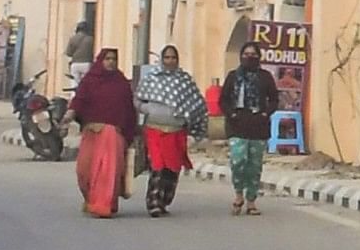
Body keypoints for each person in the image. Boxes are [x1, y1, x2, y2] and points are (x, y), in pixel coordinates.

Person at [69, 47, 138, 218]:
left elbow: (129, 110)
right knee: (84, 170)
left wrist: (132, 132)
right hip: (92, 132)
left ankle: (105, 205)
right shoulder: (90, 80)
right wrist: (69, 115)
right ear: (100, 61)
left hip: (114, 134)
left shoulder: (121, 83)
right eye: (107, 59)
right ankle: (90, 198)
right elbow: (79, 100)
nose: (111, 62)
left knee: (109, 172)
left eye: (114, 59)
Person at [134, 45, 202, 217]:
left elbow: (197, 105)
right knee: (157, 166)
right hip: (155, 130)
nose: (170, 61)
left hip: (177, 131)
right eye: (167, 58)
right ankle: (153, 203)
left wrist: (193, 124)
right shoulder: (152, 79)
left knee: (172, 169)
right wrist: (146, 108)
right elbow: (137, 99)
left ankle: (165, 200)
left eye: (173, 58)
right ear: (161, 60)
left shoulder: (185, 81)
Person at [218, 37, 282, 216]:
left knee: (254, 165)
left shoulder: (265, 77)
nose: (249, 57)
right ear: (240, 56)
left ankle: (251, 200)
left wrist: (265, 114)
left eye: (253, 55)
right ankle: (238, 194)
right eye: (246, 54)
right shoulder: (233, 76)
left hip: (258, 126)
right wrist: (231, 114)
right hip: (237, 124)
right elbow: (223, 100)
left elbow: (274, 100)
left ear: (259, 57)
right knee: (238, 160)